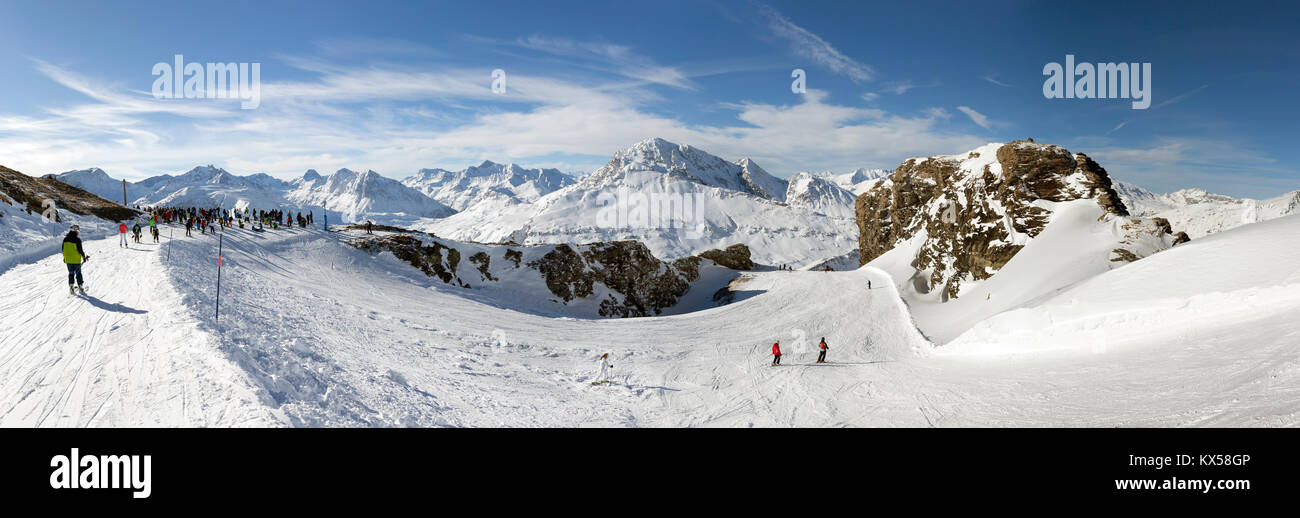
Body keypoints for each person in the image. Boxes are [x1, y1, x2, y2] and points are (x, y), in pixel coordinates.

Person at [62, 225, 88, 295]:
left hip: (68, 260)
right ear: (75, 231)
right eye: (78, 231)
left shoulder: (65, 239)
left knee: (71, 273)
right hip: (76, 260)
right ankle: (80, 287)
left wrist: (64, 257)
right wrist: (83, 257)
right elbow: (80, 250)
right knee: (78, 273)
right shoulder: (77, 240)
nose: (78, 232)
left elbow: (63, 250)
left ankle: (71, 287)